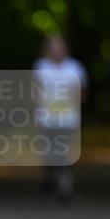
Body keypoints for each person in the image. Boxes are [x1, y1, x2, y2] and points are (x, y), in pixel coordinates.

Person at [32, 35, 88, 202]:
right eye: (52, 48)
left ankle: (65, 189)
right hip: (46, 119)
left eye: (59, 47)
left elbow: (82, 94)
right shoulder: (40, 67)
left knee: (63, 154)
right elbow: (34, 92)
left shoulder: (76, 68)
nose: (56, 51)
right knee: (49, 153)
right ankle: (50, 180)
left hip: (68, 120)